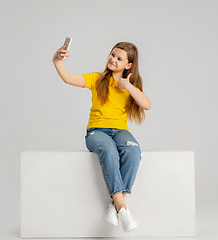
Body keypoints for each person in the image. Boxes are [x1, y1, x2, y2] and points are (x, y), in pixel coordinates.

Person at [52, 41, 151, 233]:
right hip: (97, 131)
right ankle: (122, 207)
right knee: (109, 151)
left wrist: (127, 86)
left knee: (133, 151)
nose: (113, 59)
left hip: (121, 131)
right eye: (112, 54)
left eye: (119, 58)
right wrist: (56, 60)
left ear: (128, 65)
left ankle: (114, 206)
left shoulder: (131, 85)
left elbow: (146, 105)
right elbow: (68, 78)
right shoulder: (97, 79)